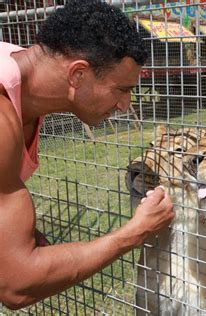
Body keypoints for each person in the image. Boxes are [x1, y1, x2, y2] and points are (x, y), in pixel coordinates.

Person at [0, 0, 174, 309]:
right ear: (78, 74)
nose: (125, 104)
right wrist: (134, 233)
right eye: (121, 89)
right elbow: (15, 284)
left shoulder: (15, 64)